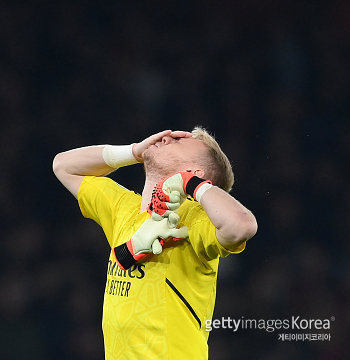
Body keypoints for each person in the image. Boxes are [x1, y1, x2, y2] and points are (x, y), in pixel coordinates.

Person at [52, 128, 257, 359]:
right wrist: (134, 151)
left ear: (194, 172)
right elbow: (63, 166)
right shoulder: (124, 208)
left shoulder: (195, 220)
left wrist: (192, 184)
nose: (165, 136)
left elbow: (242, 226)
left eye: (179, 141)